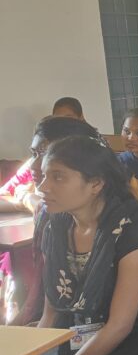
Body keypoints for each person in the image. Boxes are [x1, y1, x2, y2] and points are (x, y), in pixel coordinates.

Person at [37, 135, 138, 355]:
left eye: (58, 177)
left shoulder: (135, 232)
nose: (43, 187)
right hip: (80, 344)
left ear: (96, 184)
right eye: (44, 175)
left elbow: (119, 326)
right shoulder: (56, 229)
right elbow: (51, 314)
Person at [0, 117, 103, 326]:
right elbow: (44, 304)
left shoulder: (124, 227)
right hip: (58, 321)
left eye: (45, 154)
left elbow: (119, 323)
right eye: (34, 153)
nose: (35, 164)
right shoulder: (53, 216)